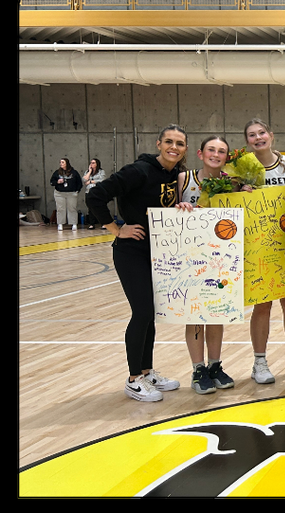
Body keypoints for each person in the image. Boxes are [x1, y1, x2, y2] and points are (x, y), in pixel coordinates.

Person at [86, 124, 191, 402]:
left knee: (150, 314)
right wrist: (116, 228)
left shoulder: (174, 175)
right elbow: (95, 196)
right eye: (169, 141)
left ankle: (146, 371)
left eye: (179, 144)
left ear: (185, 150)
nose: (173, 147)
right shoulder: (139, 171)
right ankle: (133, 380)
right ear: (158, 144)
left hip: (156, 253)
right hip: (130, 252)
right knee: (142, 312)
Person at [243, 118, 285, 384]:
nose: (258, 138)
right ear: (247, 141)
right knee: (262, 305)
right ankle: (260, 362)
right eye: (252, 135)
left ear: (271, 135)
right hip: (256, 244)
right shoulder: (240, 169)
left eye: (261, 133)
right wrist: (240, 191)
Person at [177, 136, 235, 394]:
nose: (216, 154)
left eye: (221, 151)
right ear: (200, 153)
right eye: (211, 149)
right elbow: (170, 213)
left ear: (226, 157)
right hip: (190, 256)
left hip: (221, 257)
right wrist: (180, 206)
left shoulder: (232, 183)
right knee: (194, 315)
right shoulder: (184, 179)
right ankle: (197, 368)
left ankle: (214, 365)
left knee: (216, 312)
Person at [51, 158, 82, 231]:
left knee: (72, 208)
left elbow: (79, 183)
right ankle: (60, 224)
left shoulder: (74, 172)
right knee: (60, 208)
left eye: (62, 162)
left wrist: (77, 191)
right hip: (59, 193)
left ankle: (73, 223)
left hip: (71, 193)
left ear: (67, 163)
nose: (61, 164)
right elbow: (52, 182)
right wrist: (57, 182)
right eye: (60, 162)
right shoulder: (57, 172)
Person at [82, 158, 106, 229]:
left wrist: (90, 181)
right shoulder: (87, 172)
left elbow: (102, 180)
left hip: (98, 191)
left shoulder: (101, 171)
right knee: (90, 208)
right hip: (89, 191)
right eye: (91, 163)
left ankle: (103, 223)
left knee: (100, 207)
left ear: (97, 164)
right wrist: (89, 171)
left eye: (93, 163)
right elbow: (84, 179)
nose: (91, 164)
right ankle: (92, 223)